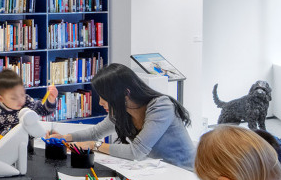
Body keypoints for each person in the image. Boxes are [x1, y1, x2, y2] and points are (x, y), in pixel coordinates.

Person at [47, 63, 194, 170]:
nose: (100, 102)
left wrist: (94, 145)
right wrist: (65, 138)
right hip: (157, 170)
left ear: (125, 93)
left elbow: (136, 152)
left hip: (184, 173)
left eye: (104, 96)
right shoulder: (122, 110)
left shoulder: (161, 106)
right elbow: (95, 132)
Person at [0, 68, 58, 134]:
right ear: (0, 99)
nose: (20, 100)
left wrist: (51, 100)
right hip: (10, 144)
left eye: (22, 94)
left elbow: (43, 110)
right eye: (14, 98)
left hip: (30, 142)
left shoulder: (27, 101)